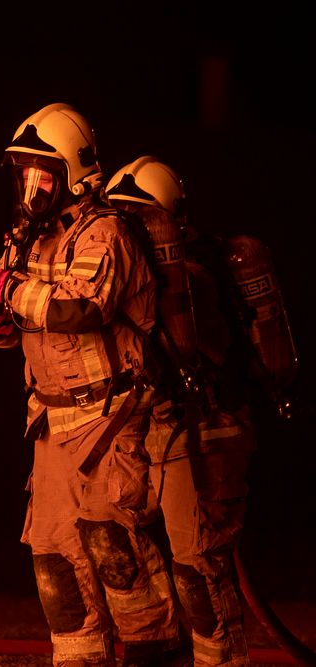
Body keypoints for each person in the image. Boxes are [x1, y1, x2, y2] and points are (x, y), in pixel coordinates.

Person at [0, 103, 187, 666]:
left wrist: (5, 288)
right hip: (51, 427)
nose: (32, 189)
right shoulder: (25, 241)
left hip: (110, 421)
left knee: (116, 553)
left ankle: (159, 653)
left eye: (43, 175)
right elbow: (18, 333)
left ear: (74, 173)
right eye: (25, 175)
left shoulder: (105, 234)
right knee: (54, 560)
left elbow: (80, 309)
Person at [106, 156, 256, 666]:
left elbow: (193, 349)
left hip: (203, 430)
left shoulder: (190, 279)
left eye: (136, 222)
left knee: (197, 567)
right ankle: (156, 652)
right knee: (126, 538)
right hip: (160, 428)